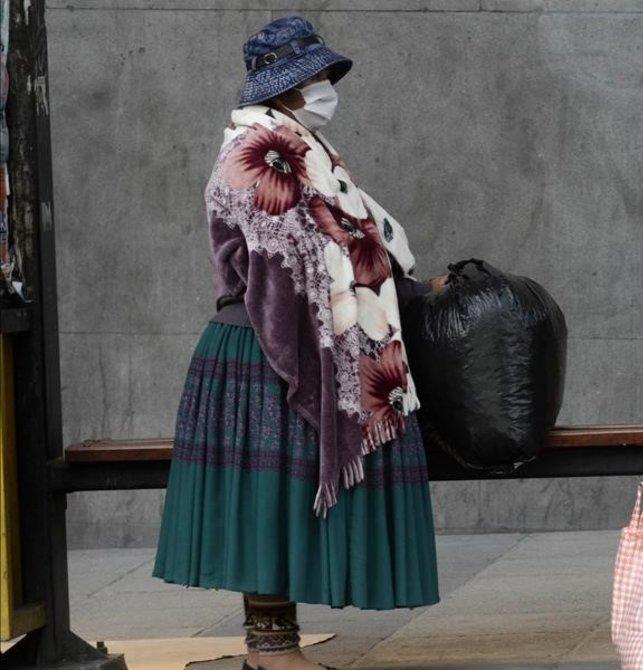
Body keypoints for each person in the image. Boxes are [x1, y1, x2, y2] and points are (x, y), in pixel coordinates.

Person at [153, 16, 445, 669]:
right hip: (277, 346)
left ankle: (272, 651)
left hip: (310, 344)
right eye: (310, 77)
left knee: (280, 501)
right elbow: (293, 264)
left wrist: (407, 283)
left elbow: (352, 240)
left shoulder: (309, 150)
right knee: (272, 503)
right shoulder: (256, 154)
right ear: (280, 87)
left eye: (321, 75)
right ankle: (271, 652)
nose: (323, 87)